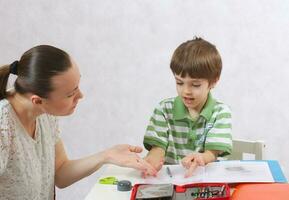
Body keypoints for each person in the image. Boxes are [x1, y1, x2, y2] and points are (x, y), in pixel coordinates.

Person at [0, 45, 156, 200]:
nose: (80, 95)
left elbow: (60, 172)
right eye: (70, 94)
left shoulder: (44, 113)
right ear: (38, 100)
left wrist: (106, 156)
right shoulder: (3, 127)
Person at [143, 37, 233, 178]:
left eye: (195, 85)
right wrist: (153, 159)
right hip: (170, 182)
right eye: (179, 82)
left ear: (214, 81)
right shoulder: (164, 110)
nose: (186, 91)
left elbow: (212, 152)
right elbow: (157, 148)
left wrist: (201, 158)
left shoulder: (220, 112)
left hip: (206, 181)